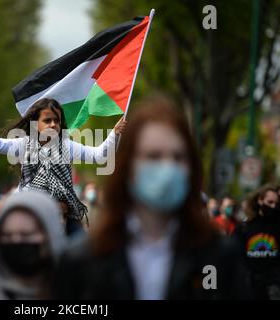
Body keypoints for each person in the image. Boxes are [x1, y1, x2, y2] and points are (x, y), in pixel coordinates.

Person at [54, 95, 250, 300]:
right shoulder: (83, 260)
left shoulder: (220, 256)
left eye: (178, 157)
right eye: (153, 156)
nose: (167, 168)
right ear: (128, 167)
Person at [0, 98, 127, 235]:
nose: (53, 124)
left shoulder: (68, 146)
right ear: (36, 124)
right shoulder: (24, 144)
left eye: (56, 120)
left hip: (63, 215)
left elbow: (99, 156)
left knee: (83, 252)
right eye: (47, 120)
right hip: (29, 214)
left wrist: (115, 132)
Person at [0, 190, 66, 299]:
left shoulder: (74, 291)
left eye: (26, 235)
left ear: (50, 236)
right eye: (7, 235)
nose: (16, 241)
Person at [234, 184, 280, 299]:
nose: (273, 206)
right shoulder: (245, 227)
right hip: (250, 285)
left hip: (274, 287)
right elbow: (234, 256)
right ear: (260, 200)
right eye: (270, 202)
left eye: (276, 203)